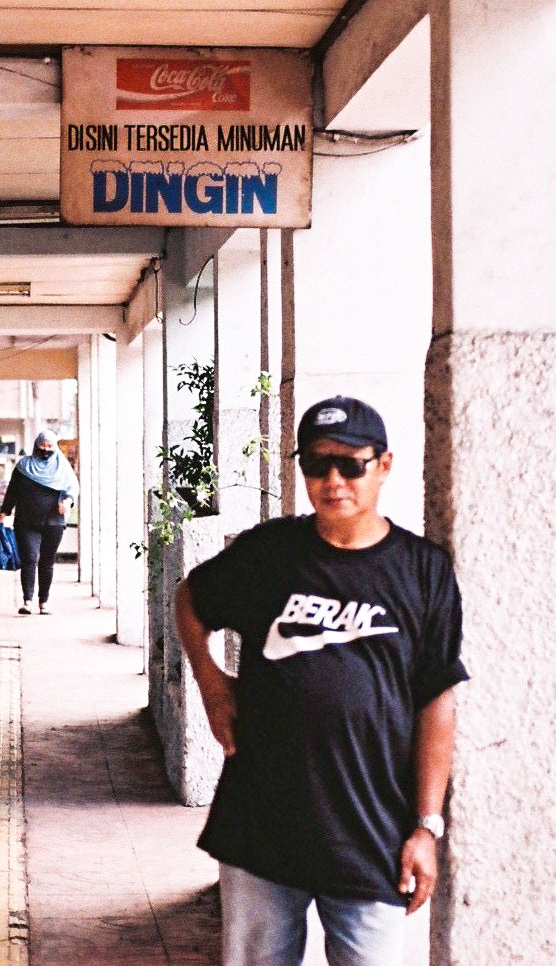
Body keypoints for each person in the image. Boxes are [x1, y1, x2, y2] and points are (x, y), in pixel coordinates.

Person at [174, 396, 468, 966]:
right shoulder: (269, 553)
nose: (333, 480)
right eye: (315, 465)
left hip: (373, 830)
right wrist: (213, 686)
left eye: (350, 465)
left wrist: (426, 827)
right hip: (262, 822)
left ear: (383, 465)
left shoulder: (423, 570)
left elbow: (437, 700)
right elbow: (191, 597)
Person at [0, 429, 79, 615]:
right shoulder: (23, 466)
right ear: (36, 446)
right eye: (42, 445)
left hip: (54, 522)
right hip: (26, 522)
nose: (46, 449)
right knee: (30, 558)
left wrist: (67, 501)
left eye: (50, 446)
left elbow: (72, 488)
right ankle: (27, 601)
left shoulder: (62, 466)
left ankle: (44, 602)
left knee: (46, 562)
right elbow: (12, 492)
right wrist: (3, 514)